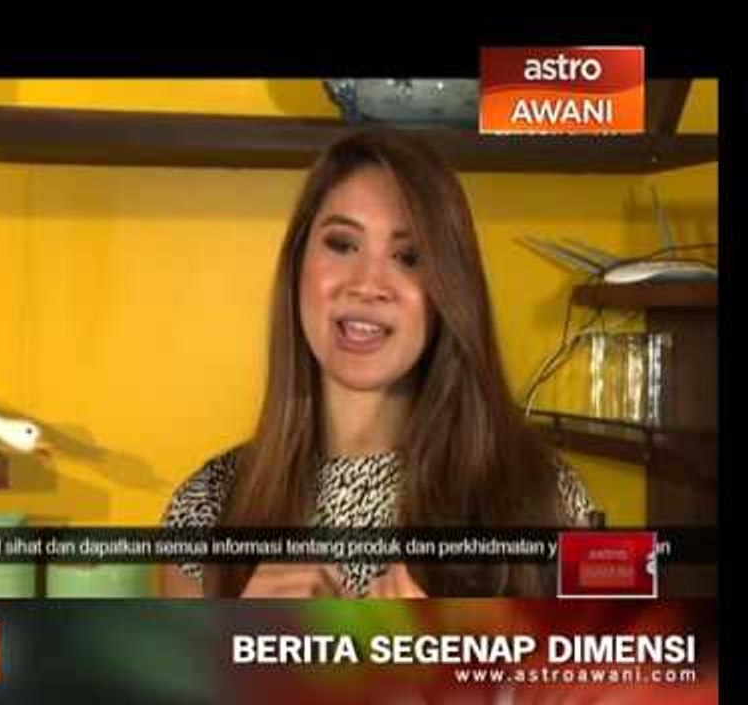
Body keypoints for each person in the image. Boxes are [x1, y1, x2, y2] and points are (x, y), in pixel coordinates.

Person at [160, 127, 594, 598]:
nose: (367, 284)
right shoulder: (205, 508)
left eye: (408, 257)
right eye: (342, 244)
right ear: (298, 262)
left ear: (448, 290)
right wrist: (242, 636)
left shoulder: (548, 498)